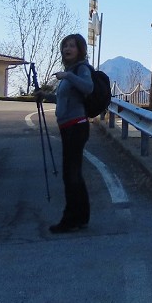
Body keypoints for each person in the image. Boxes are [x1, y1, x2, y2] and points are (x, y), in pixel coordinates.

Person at [48, 33, 93, 233]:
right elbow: (65, 99)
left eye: (72, 45)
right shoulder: (70, 71)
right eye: (65, 45)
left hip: (77, 126)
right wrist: (46, 96)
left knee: (70, 174)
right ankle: (82, 216)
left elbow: (88, 87)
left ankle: (70, 219)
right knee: (74, 173)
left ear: (80, 49)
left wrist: (68, 76)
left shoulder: (81, 69)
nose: (67, 48)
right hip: (68, 126)